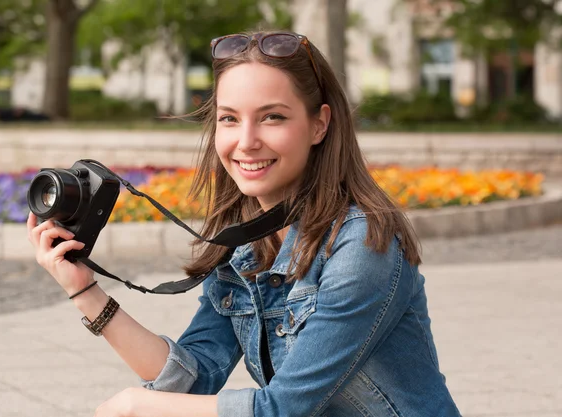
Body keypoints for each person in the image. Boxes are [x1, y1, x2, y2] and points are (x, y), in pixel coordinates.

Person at [26, 31, 461, 417]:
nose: (246, 141)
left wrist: (139, 404)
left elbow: (284, 408)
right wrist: (83, 288)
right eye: (230, 118)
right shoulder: (246, 242)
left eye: (272, 117)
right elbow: (195, 378)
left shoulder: (363, 243)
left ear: (319, 124)